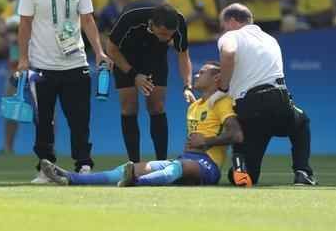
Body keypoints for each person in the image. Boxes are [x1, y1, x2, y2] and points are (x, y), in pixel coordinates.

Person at [40, 61, 244, 187]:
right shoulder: (194, 106)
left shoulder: (222, 101)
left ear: (217, 77)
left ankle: (136, 182)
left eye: (203, 72)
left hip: (207, 165)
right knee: (128, 168)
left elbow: (237, 135)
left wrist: (207, 142)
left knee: (176, 168)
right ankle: (70, 178)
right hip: (186, 159)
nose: (197, 75)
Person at [17, 0, 111, 183]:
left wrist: (99, 51)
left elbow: (87, 19)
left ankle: (84, 165)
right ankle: (45, 167)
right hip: (41, 64)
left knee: (80, 119)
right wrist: (23, 58)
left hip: (75, 61)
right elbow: (25, 22)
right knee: (43, 121)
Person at [212, 3, 316, 187]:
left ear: (232, 21)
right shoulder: (270, 39)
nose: (223, 30)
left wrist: (223, 87)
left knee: (247, 175)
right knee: (301, 122)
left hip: (249, 107)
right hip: (279, 100)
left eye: (223, 25)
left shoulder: (231, 35)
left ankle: (241, 170)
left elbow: (228, 53)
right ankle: (302, 172)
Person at [106, 3, 193, 163]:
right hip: (125, 55)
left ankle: (161, 162)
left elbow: (183, 54)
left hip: (155, 57)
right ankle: (134, 164)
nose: (167, 39)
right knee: (129, 107)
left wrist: (187, 85)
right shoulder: (131, 17)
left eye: (170, 36)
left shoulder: (179, 22)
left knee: (157, 106)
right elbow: (110, 49)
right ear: (152, 24)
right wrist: (134, 75)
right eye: (162, 34)